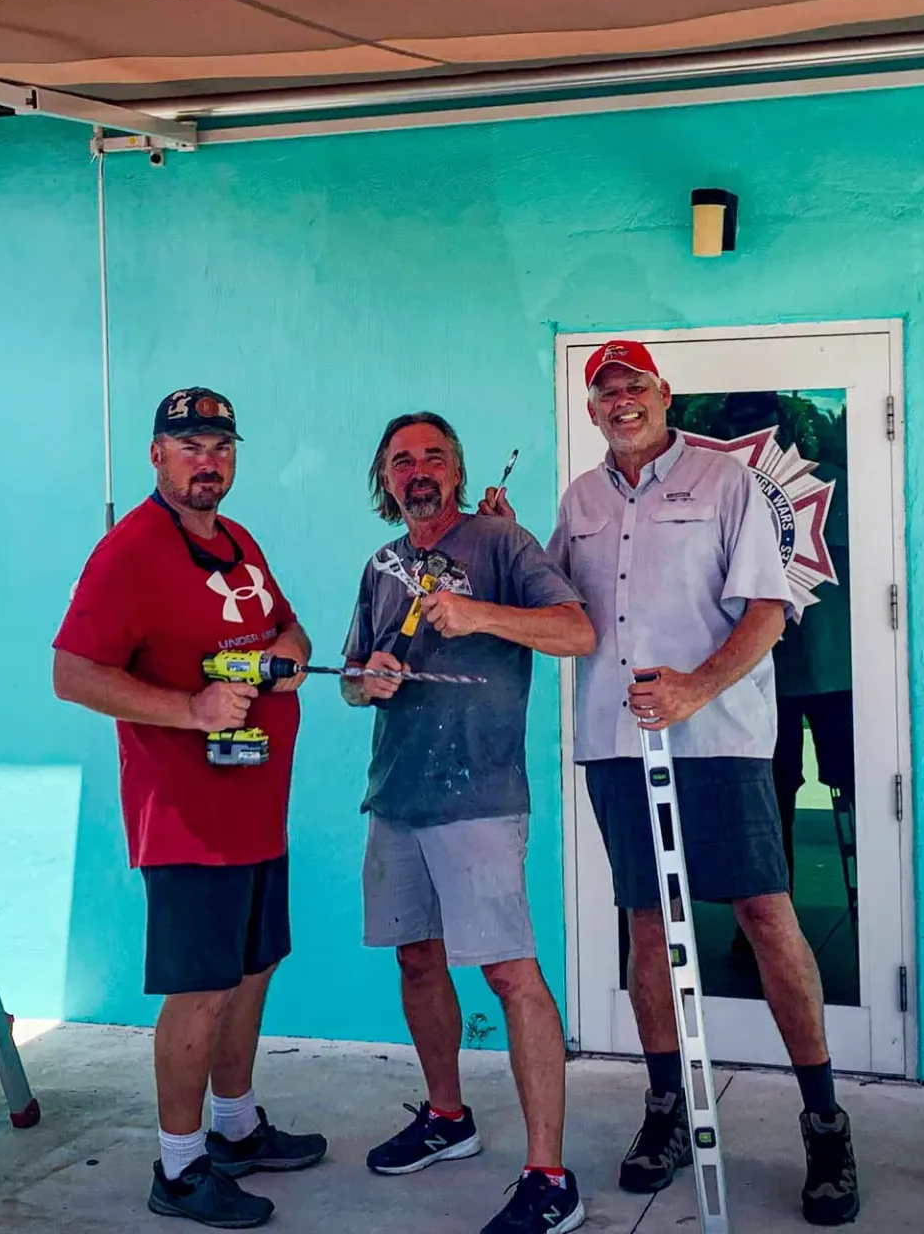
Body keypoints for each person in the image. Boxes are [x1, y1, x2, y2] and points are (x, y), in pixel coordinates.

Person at [484, 341, 861, 1226]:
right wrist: (513, 541)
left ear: (664, 393)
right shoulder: (578, 501)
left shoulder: (725, 482)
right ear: (591, 409)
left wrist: (694, 687)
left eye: (635, 386)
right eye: (605, 390)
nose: (621, 401)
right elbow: (564, 611)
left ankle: (825, 1122)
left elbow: (768, 612)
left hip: (719, 741)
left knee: (767, 917)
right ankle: (663, 1110)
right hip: (617, 743)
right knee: (645, 924)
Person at [53, 387, 327, 1230]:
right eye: (189, 445)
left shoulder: (236, 542)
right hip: (186, 820)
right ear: (157, 456)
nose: (207, 459)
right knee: (200, 992)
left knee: (251, 973)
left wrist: (276, 661)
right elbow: (72, 673)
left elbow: (293, 634)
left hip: (257, 807)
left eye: (220, 445)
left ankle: (236, 1127)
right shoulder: (129, 552)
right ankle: (178, 1170)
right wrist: (193, 709)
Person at [342, 411, 596, 1234]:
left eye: (435, 457)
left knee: (510, 975)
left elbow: (576, 629)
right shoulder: (381, 567)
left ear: (458, 471)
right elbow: (350, 677)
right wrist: (366, 681)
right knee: (418, 962)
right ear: (385, 479)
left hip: (480, 798)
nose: (419, 470)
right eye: (402, 459)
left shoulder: (502, 546)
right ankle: (448, 1119)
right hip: (396, 797)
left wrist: (480, 614)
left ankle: (550, 1176)